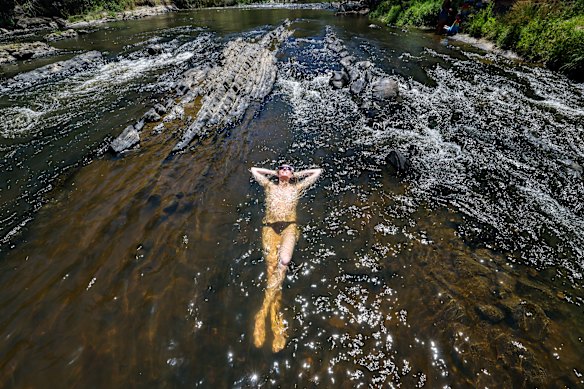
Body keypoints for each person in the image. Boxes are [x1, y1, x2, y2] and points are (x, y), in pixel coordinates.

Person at [250, 164, 322, 352]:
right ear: (277, 172)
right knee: (271, 270)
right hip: (269, 228)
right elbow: (253, 170)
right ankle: (275, 315)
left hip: (289, 227)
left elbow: (317, 172)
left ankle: (262, 311)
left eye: (289, 169)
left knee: (284, 262)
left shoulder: (297, 188)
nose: (285, 169)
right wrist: (274, 173)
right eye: (282, 168)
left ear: (292, 174)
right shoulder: (269, 186)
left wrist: (296, 175)